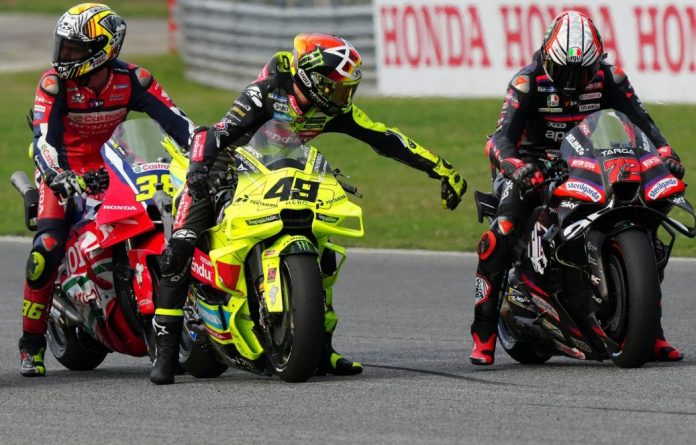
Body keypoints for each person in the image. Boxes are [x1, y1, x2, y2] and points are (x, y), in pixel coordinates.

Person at [150, 32, 467, 384]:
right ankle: (165, 352)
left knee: (321, 242)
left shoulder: (333, 109)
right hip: (224, 167)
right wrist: (198, 173)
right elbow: (215, 134)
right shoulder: (266, 92)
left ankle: (321, 348)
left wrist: (440, 168)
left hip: (277, 172)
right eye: (337, 89)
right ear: (312, 80)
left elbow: (385, 138)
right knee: (181, 246)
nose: (343, 98)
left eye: (348, 90)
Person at [469, 10, 685, 365]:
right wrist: (517, 167)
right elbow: (499, 139)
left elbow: (645, 126)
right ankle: (484, 331)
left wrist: (665, 155)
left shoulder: (611, 78)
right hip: (532, 165)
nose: (571, 82)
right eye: (563, 71)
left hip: (591, 161)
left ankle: (650, 331)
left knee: (647, 223)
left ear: (597, 61)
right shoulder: (527, 82)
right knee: (501, 231)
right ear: (547, 56)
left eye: (581, 73)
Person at [19, 3, 195, 377]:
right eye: (64, 46)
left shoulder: (134, 80)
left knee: (171, 220)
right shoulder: (54, 84)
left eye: (75, 49)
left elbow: (180, 125)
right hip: (64, 173)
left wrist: (204, 151)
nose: (64, 55)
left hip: (118, 169)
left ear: (103, 50)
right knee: (46, 248)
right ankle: (30, 345)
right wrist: (56, 175)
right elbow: (43, 141)